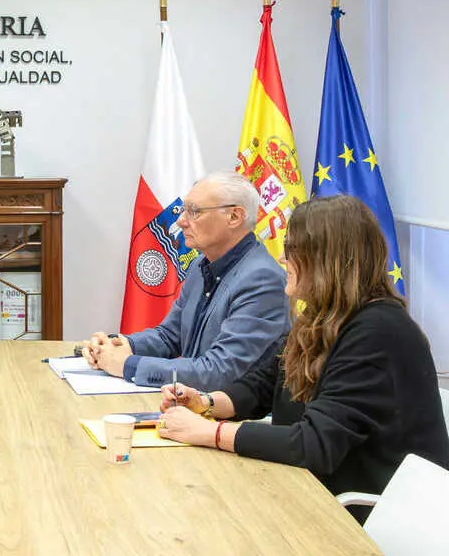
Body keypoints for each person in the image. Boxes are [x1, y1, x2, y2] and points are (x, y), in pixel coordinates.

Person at [157, 195, 449, 522]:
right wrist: (205, 403)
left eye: (292, 248)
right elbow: (261, 386)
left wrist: (209, 433)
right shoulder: (323, 318)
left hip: (368, 517)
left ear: (325, 259)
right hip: (310, 494)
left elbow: (314, 444)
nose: (281, 257)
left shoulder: (379, 332)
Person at [82, 171, 289, 390]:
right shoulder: (200, 265)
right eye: (184, 210)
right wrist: (118, 345)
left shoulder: (262, 279)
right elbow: (170, 336)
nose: (181, 221)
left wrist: (127, 364)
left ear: (235, 217)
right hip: (191, 405)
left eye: (194, 212)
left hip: (230, 415)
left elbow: (219, 371)